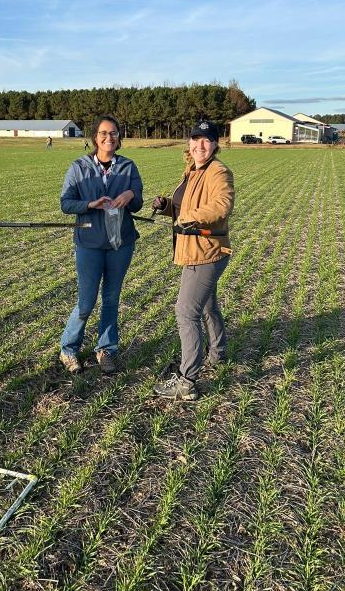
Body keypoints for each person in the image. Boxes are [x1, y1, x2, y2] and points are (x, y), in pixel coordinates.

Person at [151, 120, 234, 401]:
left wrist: (189, 217)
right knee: (208, 305)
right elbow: (183, 207)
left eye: (206, 140)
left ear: (215, 144)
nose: (200, 145)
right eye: (196, 139)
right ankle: (218, 352)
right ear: (189, 143)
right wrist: (167, 207)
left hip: (205, 252)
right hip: (195, 249)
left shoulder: (218, 171)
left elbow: (222, 205)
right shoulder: (193, 171)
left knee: (186, 312)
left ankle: (187, 381)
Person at [59, 115, 143, 375]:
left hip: (121, 243)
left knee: (111, 298)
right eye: (104, 133)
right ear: (95, 137)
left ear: (119, 137)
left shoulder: (128, 167)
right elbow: (66, 203)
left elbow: (138, 203)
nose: (109, 138)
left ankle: (106, 349)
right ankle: (68, 349)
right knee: (86, 302)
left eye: (114, 133)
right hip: (89, 243)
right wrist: (89, 204)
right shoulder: (78, 167)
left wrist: (130, 194)